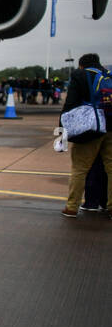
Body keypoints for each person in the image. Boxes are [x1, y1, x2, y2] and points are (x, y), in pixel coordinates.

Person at [61, 53, 112, 218]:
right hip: (111, 125)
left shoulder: (80, 75)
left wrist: (63, 127)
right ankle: (110, 206)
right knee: (110, 168)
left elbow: (71, 102)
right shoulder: (108, 75)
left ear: (81, 65)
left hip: (91, 127)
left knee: (80, 168)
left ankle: (72, 206)